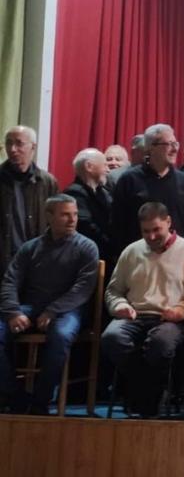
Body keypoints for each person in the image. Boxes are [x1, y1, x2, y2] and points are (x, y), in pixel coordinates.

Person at [101, 202, 184, 416]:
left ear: (168, 222)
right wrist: (120, 306)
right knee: (111, 338)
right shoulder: (131, 251)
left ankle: (140, 398)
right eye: (146, 231)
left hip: (170, 318)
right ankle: (147, 395)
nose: (151, 236)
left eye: (156, 230)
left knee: (160, 344)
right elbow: (113, 291)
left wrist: (182, 310)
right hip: (133, 315)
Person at [0, 194, 99, 413]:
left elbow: (82, 289)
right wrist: (13, 311)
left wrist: (53, 311)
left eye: (74, 214)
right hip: (31, 306)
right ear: (49, 216)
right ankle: (13, 395)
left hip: (66, 310)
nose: (72, 219)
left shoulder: (86, 247)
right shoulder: (30, 248)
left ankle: (41, 401)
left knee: (61, 335)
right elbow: (10, 280)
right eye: (65, 215)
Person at [111, 124, 184, 251]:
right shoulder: (129, 180)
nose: (174, 149)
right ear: (150, 148)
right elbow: (117, 225)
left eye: (176, 144)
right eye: (168, 144)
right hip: (140, 258)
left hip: (176, 257)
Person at [0, 126, 59, 274]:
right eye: (9, 143)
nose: (13, 149)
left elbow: (55, 223)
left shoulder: (47, 182)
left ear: (33, 147)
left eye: (19, 143)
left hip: (35, 261)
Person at [64, 148, 114, 264]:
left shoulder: (104, 192)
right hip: (85, 257)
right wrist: (111, 244)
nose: (108, 170)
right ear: (89, 166)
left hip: (105, 255)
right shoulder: (74, 194)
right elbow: (86, 227)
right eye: (104, 165)